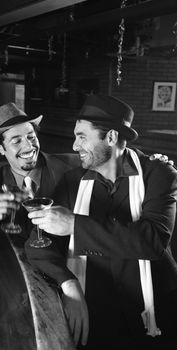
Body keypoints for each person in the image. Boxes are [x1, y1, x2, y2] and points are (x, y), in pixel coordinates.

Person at [25, 93, 177, 349]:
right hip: (95, 314)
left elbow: (152, 240)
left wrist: (74, 225)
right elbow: (37, 244)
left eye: (82, 137)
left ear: (111, 137)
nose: (74, 146)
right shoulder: (73, 181)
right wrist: (68, 283)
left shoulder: (159, 173)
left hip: (158, 313)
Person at [0, 102, 79, 251]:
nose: (29, 146)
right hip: (25, 271)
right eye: (16, 141)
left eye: (31, 137)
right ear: (0, 149)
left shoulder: (73, 166)